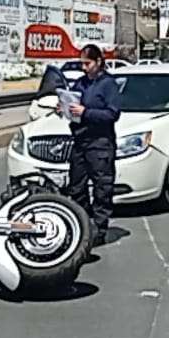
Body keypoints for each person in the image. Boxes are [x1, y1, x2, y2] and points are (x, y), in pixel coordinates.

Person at [66, 44, 122, 245]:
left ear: (98, 62)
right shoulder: (80, 83)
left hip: (100, 143)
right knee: (76, 186)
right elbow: (73, 104)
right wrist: (64, 108)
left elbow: (112, 113)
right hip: (80, 140)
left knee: (102, 187)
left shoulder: (108, 84)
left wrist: (86, 113)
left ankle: (99, 229)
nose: (84, 68)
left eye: (87, 63)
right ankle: (82, 223)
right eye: (82, 63)